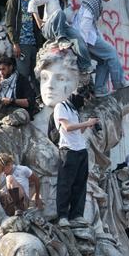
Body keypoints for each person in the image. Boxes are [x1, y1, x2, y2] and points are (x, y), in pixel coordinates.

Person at [54, 90, 100, 226]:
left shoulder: (75, 111)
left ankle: (77, 215)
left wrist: (88, 124)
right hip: (68, 150)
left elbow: (79, 131)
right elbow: (67, 127)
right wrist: (86, 123)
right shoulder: (61, 106)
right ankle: (62, 215)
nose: (84, 102)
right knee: (65, 184)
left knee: (80, 185)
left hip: (81, 149)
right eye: (84, 98)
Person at [28, 0, 93, 74]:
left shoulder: (66, 2)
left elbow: (68, 19)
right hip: (48, 28)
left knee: (78, 38)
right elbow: (32, 2)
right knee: (59, 13)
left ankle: (85, 66)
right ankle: (61, 40)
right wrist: (38, 20)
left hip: (62, 27)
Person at [73, 0, 126, 93]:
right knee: (112, 53)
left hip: (86, 38)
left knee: (104, 60)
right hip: (86, 39)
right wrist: (82, 45)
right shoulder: (93, 2)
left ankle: (100, 89)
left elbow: (91, 25)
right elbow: (85, 24)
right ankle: (119, 83)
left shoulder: (95, 1)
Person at [0, 54, 38, 140]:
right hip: (1, 110)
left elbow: (29, 102)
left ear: (11, 67)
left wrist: (12, 100)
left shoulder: (21, 80)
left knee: (24, 115)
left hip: (15, 110)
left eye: (3, 69)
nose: (1, 72)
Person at [4, 0, 43, 87]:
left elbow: (38, 24)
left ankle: (36, 101)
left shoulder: (34, 2)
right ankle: (22, 101)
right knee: (23, 75)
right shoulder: (15, 0)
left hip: (34, 44)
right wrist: (15, 43)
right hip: (21, 44)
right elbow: (9, 23)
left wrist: (40, 45)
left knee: (36, 74)